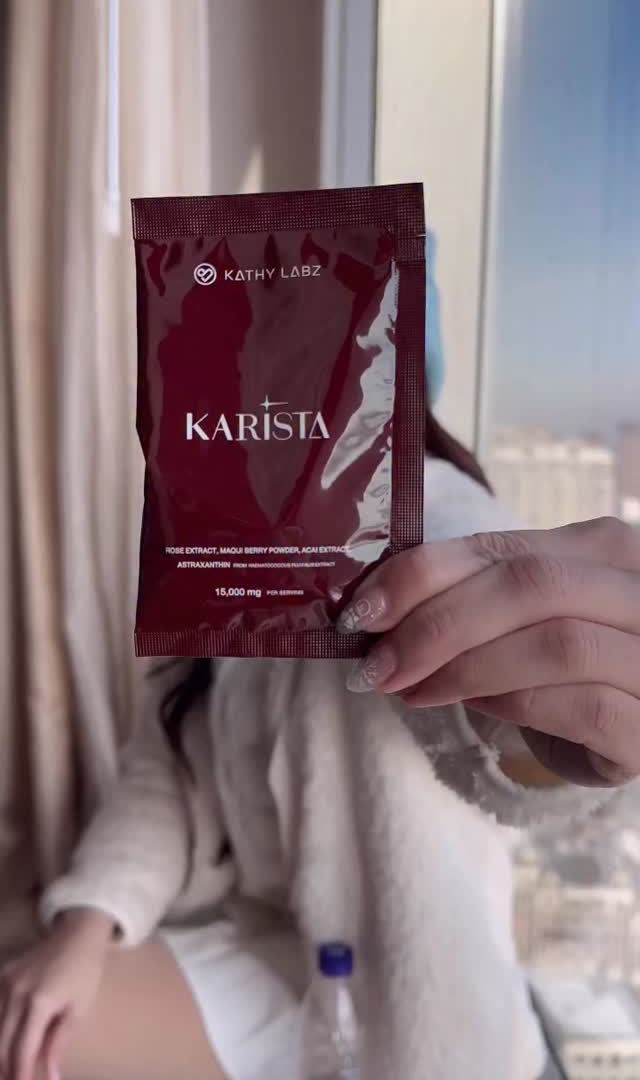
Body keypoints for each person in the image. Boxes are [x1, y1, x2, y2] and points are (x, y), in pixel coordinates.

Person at [2, 334, 639, 1080]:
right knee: (29, 1030)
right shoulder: (225, 548)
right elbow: (164, 774)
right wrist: (86, 924)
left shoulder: (432, 508)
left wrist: (556, 733)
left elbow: (486, 718)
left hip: (410, 999)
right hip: (269, 955)